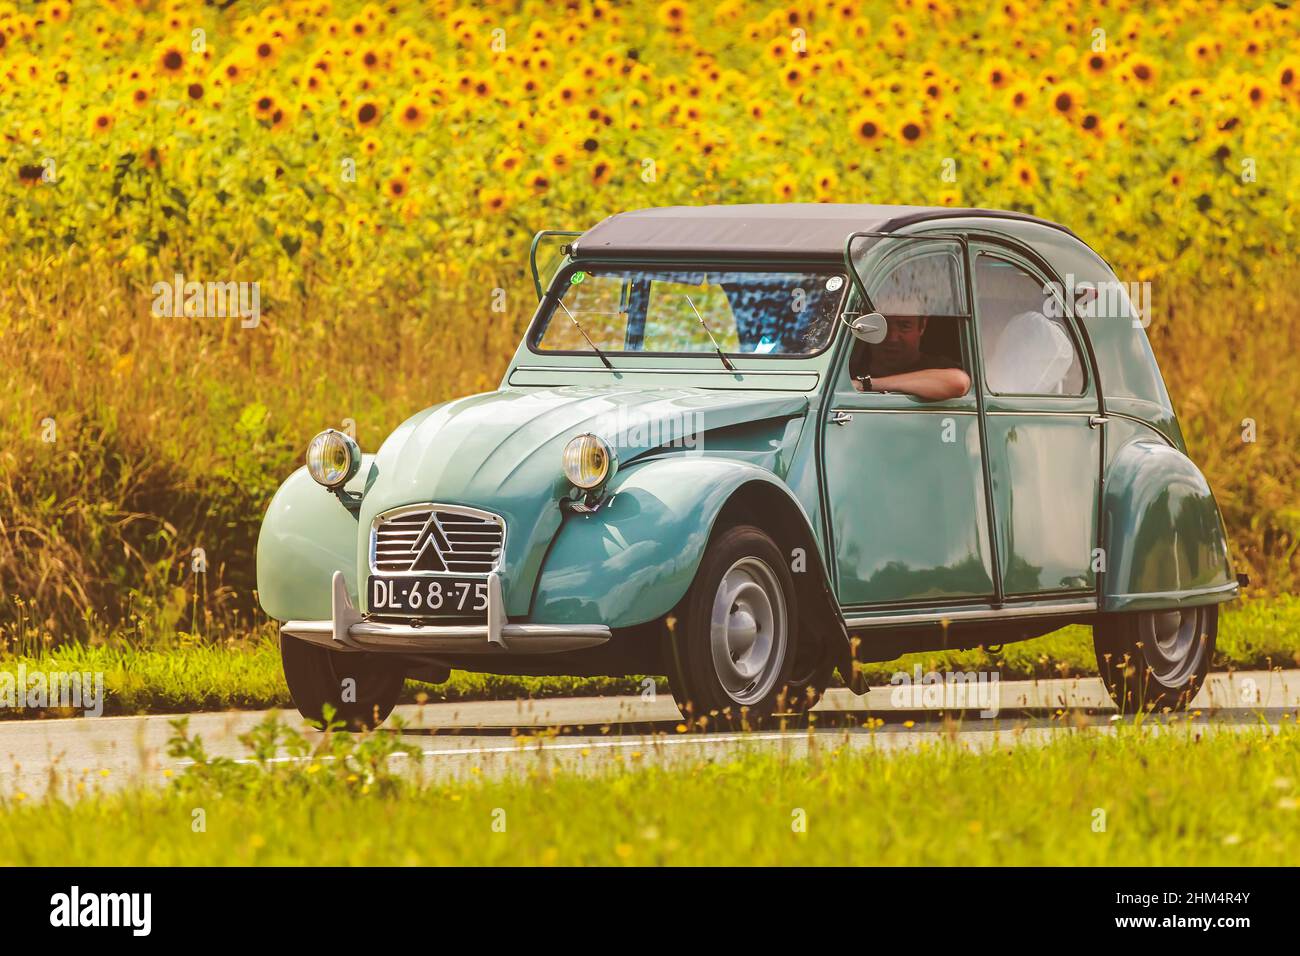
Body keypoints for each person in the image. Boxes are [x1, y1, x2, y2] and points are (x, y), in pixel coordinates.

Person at [850, 315, 970, 400]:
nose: (892, 338)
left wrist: (866, 384)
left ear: (922, 326)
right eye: (882, 327)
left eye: (904, 326)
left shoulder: (938, 368)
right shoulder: (847, 370)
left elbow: (959, 382)